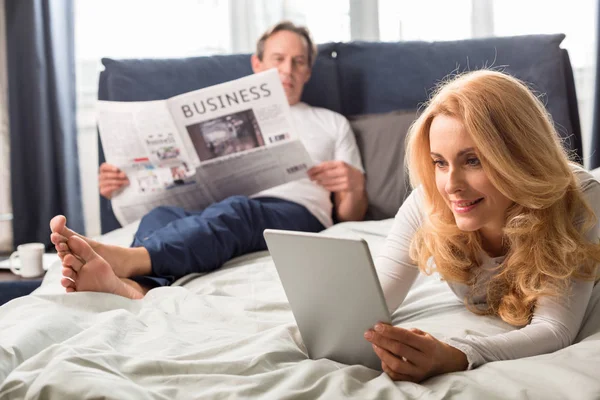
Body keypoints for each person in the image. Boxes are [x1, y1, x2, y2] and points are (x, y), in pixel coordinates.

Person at [50, 21, 367, 299]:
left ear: (308, 72)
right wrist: (124, 181)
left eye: (298, 62)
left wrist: (353, 187)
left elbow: (349, 217)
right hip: (221, 207)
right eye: (278, 59)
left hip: (297, 216)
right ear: (257, 64)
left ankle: (127, 260)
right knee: (161, 217)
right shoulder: (229, 115)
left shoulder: (331, 122)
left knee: (239, 211)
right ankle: (137, 288)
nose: (287, 70)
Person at [362, 70, 600, 382]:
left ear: (518, 157)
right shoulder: (431, 200)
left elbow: (555, 328)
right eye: (440, 162)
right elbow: (372, 300)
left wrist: (458, 354)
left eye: (473, 160)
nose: (451, 185)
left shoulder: (578, 200)